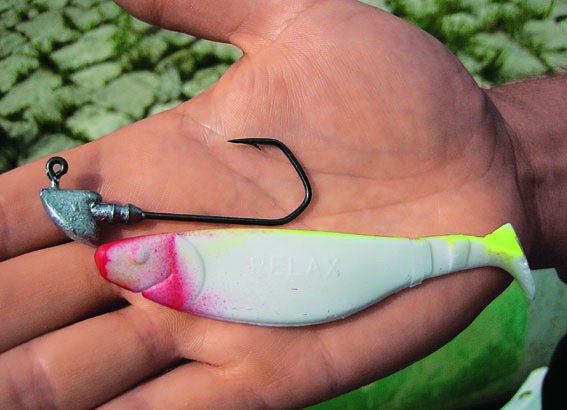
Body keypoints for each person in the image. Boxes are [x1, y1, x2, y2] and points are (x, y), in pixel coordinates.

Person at [0, 0, 565, 408]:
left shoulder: (178, 262)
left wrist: (517, 161)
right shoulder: (184, 267)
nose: (126, 259)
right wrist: (521, 163)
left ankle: (492, 255)